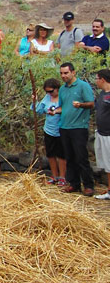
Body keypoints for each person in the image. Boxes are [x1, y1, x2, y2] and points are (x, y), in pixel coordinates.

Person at [55, 62, 95, 195]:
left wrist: (81, 105)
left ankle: (89, 185)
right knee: (69, 157)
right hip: (64, 126)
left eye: (66, 73)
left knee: (81, 157)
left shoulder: (83, 86)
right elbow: (62, 107)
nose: (63, 76)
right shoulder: (62, 89)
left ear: (73, 72)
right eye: (61, 73)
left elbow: (91, 103)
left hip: (79, 127)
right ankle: (74, 183)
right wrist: (54, 111)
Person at [35, 78, 66, 186]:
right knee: (50, 154)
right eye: (47, 92)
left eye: (51, 91)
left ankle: (62, 177)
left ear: (57, 89)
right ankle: (54, 176)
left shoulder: (63, 97)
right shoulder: (47, 98)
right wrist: (36, 102)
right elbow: (39, 110)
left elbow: (67, 109)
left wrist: (57, 112)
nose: (49, 94)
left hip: (61, 130)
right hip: (49, 130)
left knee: (62, 155)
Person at [93, 70, 110, 199]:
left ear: (103, 79)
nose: (96, 81)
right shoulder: (102, 94)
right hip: (101, 133)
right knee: (106, 164)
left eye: (97, 78)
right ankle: (109, 190)